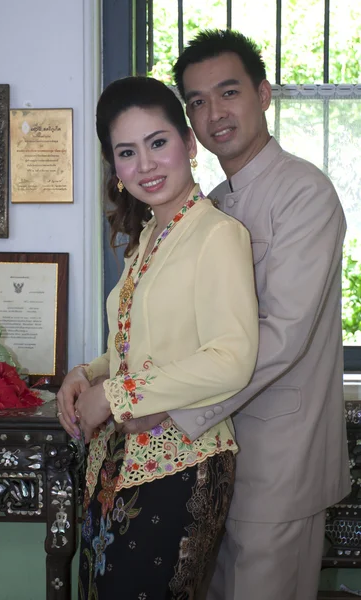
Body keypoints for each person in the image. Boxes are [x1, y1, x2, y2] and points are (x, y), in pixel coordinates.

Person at [119, 29, 350, 600]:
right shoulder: (214, 205)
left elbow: (282, 335)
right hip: (207, 461)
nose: (213, 113)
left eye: (228, 92)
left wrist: (166, 407)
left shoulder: (305, 194)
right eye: (196, 102)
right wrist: (108, 375)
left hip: (278, 464)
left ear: (264, 94)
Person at [57, 75, 259, 599]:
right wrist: (88, 375)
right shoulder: (149, 236)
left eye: (158, 142)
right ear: (116, 169)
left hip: (181, 465)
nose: (145, 164)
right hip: (119, 464)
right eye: (127, 152)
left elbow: (230, 358)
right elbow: (139, 343)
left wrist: (117, 396)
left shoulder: (217, 234)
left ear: (189, 145)